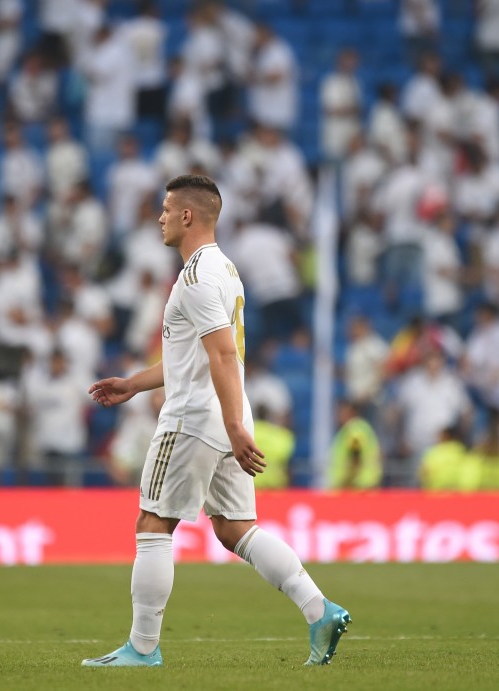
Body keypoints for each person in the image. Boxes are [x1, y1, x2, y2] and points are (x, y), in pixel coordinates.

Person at [83, 175, 349, 668]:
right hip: (225, 412)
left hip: (194, 418)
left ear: (188, 215)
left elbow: (223, 354)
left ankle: (142, 648)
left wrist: (232, 427)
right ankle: (320, 610)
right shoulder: (224, 269)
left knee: (153, 522)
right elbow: (194, 355)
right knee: (234, 528)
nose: (160, 217)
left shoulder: (196, 278)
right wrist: (134, 384)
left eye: (167, 209)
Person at [328, 400, 382, 490]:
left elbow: (355, 460)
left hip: (356, 488)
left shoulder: (355, 432)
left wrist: (345, 483)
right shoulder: (361, 429)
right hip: (363, 487)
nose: (339, 415)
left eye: (342, 412)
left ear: (352, 412)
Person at [251, 406, 294, 490]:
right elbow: (287, 461)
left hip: (252, 484)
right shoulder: (282, 435)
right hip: (275, 486)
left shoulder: (247, 433)